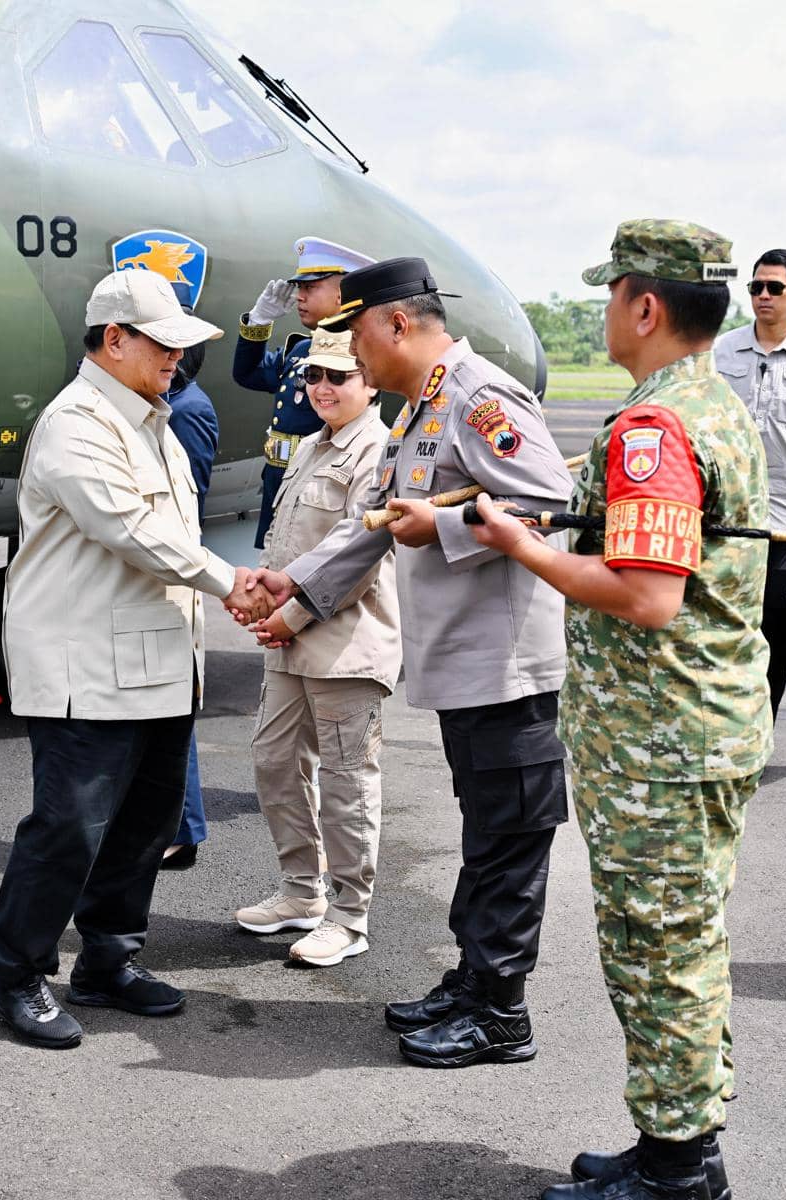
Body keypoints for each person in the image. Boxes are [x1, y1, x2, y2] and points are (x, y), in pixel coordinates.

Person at [469, 220, 772, 1200]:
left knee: (660, 953)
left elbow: (649, 596)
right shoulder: (707, 403)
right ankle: (674, 1143)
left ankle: (679, 1169)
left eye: (610, 295)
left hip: (659, 742)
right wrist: (564, 525)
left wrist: (523, 549)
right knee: (678, 945)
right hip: (693, 728)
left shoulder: (654, 425)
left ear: (646, 306)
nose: (603, 311)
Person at [239, 257, 573, 1066]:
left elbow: (551, 502)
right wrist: (294, 579)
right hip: (463, 668)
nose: (354, 354)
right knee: (488, 837)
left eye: (356, 334)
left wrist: (450, 528)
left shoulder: (478, 397)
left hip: (506, 668)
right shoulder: (419, 411)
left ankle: (501, 1014)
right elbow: (376, 523)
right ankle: (473, 984)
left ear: (396, 322)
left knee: (509, 839)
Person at [0, 269, 273, 1050]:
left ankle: (108, 960)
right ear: (114, 340)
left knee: (146, 826)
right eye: (164, 343)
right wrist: (230, 584)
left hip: (158, 664)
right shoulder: (77, 422)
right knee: (67, 828)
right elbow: (129, 529)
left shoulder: (150, 418)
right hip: (87, 670)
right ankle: (20, 973)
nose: (177, 358)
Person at [234, 326, 401, 966]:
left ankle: (348, 915)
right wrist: (256, 598)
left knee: (346, 781)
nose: (323, 388)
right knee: (274, 763)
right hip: (288, 639)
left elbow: (358, 554)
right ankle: (301, 892)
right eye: (314, 376)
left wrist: (289, 616)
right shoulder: (310, 445)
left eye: (340, 376)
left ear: (370, 382)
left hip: (344, 645)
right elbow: (284, 543)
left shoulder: (380, 452)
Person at [232, 236, 374, 547]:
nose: (299, 296)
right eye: (299, 287)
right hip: (279, 484)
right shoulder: (300, 349)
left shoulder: (362, 351)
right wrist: (259, 321)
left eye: (310, 288)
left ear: (342, 294)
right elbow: (247, 374)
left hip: (322, 488)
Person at [715, 248, 786, 718]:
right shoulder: (722, 351)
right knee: (723, 622)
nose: (763, 296)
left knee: (772, 625)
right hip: (726, 515)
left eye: (774, 288)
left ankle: (759, 728)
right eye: (755, 287)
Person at [160, 285, 220, 871]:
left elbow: (188, 499)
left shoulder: (190, 411)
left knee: (174, 706)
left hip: (173, 571)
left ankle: (184, 830)